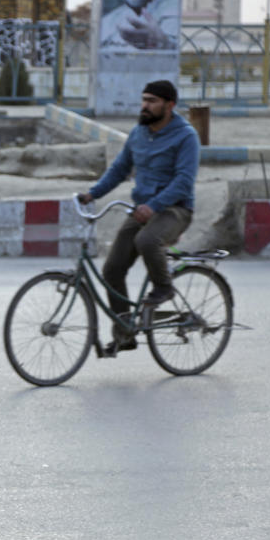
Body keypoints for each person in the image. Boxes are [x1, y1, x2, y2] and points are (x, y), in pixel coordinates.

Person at [77, 80, 200, 355]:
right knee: (112, 269)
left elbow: (183, 181)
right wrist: (92, 193)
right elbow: (120, 169)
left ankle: (164, 288)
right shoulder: (138, 133)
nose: (145, 106)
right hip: (143, 209)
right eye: (144, 100)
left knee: (147, 240)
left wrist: (155, 205)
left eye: (152, 101)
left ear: (169, 106)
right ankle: (125, 335)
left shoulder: (186, 136)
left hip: (175, 210)